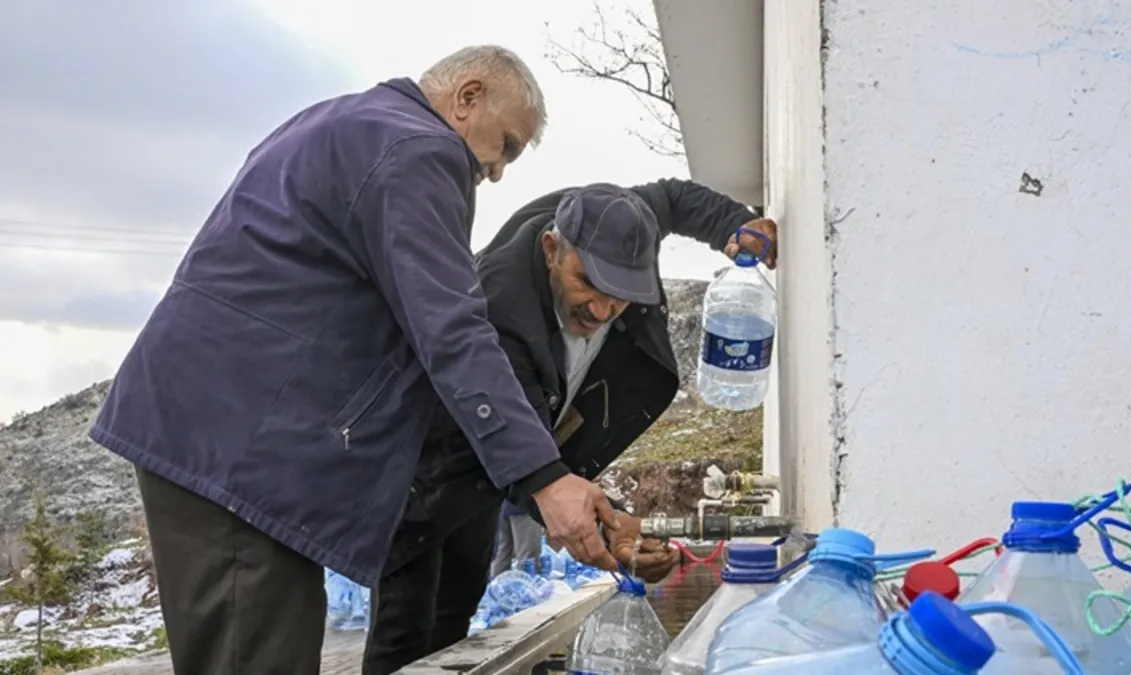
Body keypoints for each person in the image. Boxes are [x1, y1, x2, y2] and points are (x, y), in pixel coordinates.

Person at [86, 46, 624, 675]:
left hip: (214, 434)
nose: (499, 170)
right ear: (468, 97)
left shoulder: (340, 122)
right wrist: (543, 476)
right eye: (505, 145)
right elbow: (452, 330)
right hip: (239, 453)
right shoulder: (418, 151)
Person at [363, 180, 779, 673]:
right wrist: (608, 528)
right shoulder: (498, 314)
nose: (601, 310)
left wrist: (732, 222)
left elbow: (671, 199)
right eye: (587, 283)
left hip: (487, 479)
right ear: (551, 250)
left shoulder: (624, 224)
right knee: (407, 627)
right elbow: (530, 458)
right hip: (424, 462)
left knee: (456, 613)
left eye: (620, 296)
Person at [490, 501, 547, 577]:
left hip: (504, 506)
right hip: (525, 507)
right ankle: (525, 583)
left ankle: (496, 583)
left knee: (501, 555)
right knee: (528, 560)